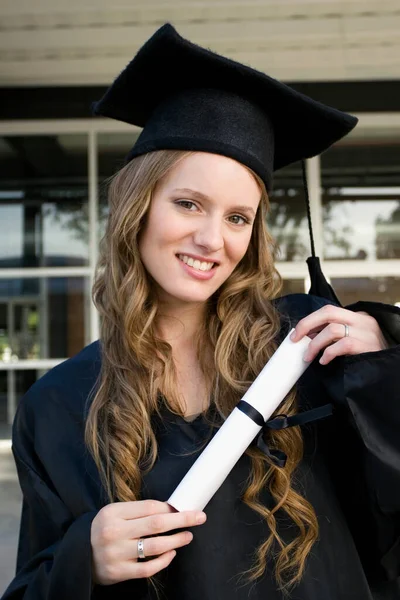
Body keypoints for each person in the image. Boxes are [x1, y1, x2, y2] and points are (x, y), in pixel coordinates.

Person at [2, 23, 400, 600]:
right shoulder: (59, 406)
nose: (214, 239)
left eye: (238, 217)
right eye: (189, 203)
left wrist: (383, 364)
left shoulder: (309, 346)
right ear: (137, 209)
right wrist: (82, 559)